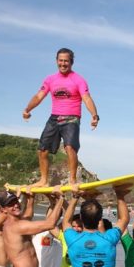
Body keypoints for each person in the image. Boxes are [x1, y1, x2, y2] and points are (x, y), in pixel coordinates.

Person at [22, 48, 99, 186]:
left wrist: (94, 115)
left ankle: (73, 180)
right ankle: (43, 180)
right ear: (57, 61)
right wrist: (28, 109)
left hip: (72, 118)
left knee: (70, 148)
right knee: (42, 150)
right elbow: (39, 96)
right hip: (54, 118)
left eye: (66, 61)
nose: (63, 63)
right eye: (60, 60)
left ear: (71, 62)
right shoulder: (50, 79)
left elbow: (86, 98)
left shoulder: (79, 80)